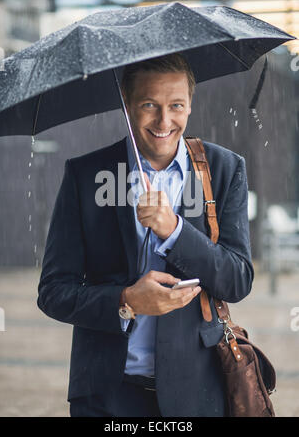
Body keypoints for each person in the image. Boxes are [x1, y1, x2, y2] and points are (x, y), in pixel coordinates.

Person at [37, 53, 254, 417]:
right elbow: (54, 292)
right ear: (126, 103)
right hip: (107, 393)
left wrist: (176, 231)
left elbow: (238, 280)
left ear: (190, 104)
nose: (164, 121)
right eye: (149, 105)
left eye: (177, 106)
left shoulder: (224, 169)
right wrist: (128, 301)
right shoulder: (86, 175)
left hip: (198, 390)